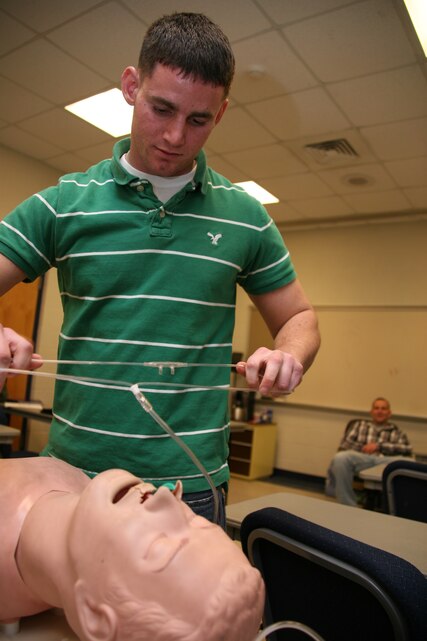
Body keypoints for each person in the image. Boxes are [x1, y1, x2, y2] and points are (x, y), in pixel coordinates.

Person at [0, 12, 320, 524]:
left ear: (221, 113)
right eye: (161, 108)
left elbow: (300, 317)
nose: (175, 135)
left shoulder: (246, 217)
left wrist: (288, 355)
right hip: (74, 477)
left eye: (199, 120)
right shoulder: (64, 204)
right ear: (132, 86)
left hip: (188, 484)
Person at [0, 457, 264, 641]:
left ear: (93, 616)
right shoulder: (84, 493)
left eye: (159, 545)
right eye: (193, 520)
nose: (165, 496)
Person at [326, 397, 413, 506]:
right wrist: (365, 447)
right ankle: (347, 505)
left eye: (383, 408)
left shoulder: (396, 431)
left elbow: (406, 448)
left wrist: (379, 446)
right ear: (371, 412)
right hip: (361, 459)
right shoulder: (359, 425)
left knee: (408, 462)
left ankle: (400, 506)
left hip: (383, 461)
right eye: (376, 408)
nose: (380, 411)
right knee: (340, 457)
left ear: (389, 413)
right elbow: (345, 444)